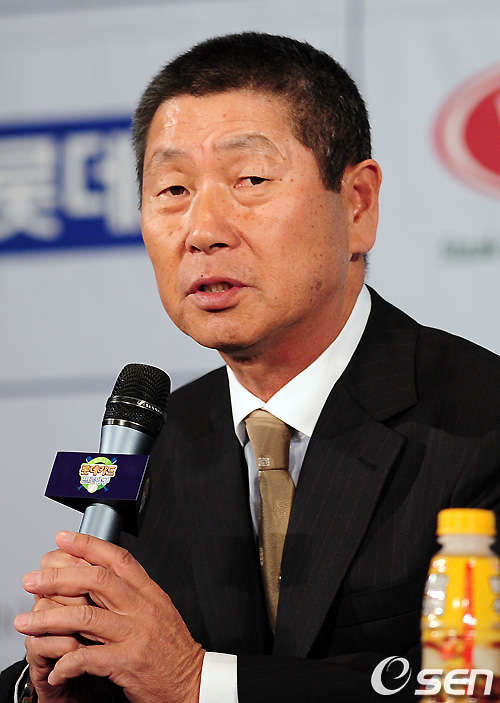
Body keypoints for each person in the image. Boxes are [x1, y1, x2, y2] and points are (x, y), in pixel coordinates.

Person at [2, 31, 500, 703]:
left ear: (357, 203)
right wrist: (47, 688)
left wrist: (196, 681)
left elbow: (472, 685)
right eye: (172, 188)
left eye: (251, 181)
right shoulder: (159, 444)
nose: (203, 230)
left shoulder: (482, 422)